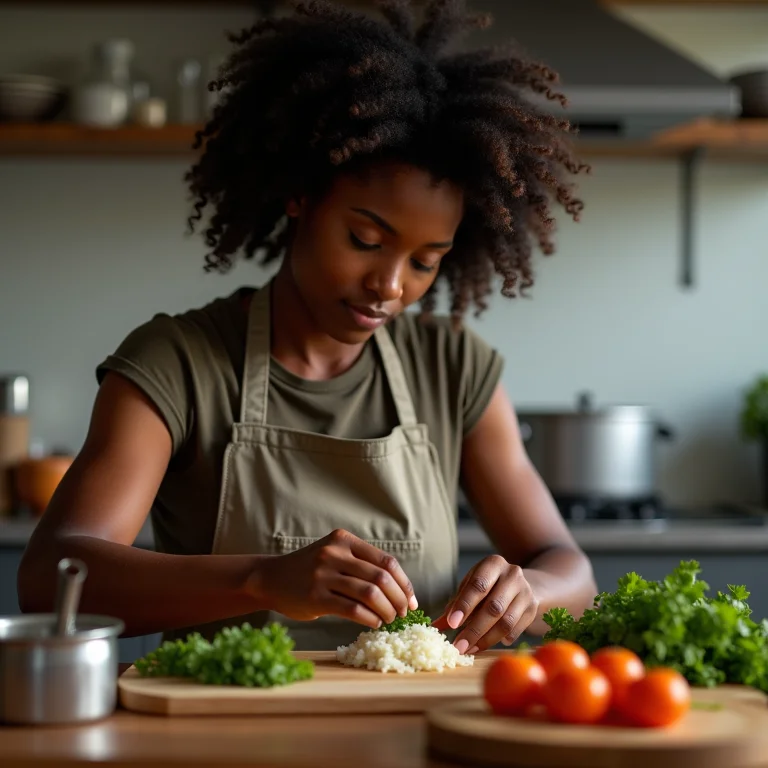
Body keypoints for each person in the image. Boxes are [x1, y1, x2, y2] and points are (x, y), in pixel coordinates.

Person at [18, 0, 596, 655]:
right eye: (364, 240)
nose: (390, 285)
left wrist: (530, 592)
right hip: (220, 720)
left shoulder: (454, 369)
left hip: (413, 720)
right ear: (300, 196)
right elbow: (49, 580)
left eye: (424, 262)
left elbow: (571, 572)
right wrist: (259, 579)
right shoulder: (178, 364)